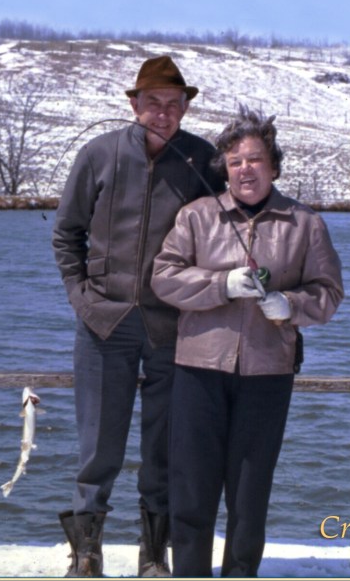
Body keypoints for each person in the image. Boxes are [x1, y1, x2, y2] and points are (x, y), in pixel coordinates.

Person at [151, 106, 344, 577]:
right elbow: (163, 277)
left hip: (268, 374)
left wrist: (290, 305)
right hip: (198, 369)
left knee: (249, 495)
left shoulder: (305, 223)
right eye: (235, 161)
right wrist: (221, 285)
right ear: (225, 168)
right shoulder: (197, 217)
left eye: (255, 159)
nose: (245, 169)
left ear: (273, 166)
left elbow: (329, 293)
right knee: (191, 491)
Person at [52, 56, 225, 577]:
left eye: (173, 104)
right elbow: (66, 234)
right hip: (103, 325)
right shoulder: (98, 154)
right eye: (153, 103)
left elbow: (224, 233)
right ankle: (86, 554)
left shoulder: (202, 159)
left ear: (185, 108)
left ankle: (154, 556)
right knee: (98, 447)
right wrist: (82, 298)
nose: (163, 113)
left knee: (164, 448)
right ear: (134, 104)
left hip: (173, 327)